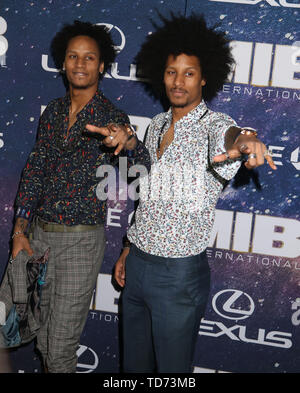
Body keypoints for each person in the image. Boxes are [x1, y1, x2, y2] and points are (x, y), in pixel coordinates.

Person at [111, 14, 277, 373]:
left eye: (189, 73)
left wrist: (246, 138)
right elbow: (149, 197)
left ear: (204, 78)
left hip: (178, 275)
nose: (179, 81)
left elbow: (231, 135)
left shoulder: (212, 126)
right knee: (132, 370)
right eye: (172, 71)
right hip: (137, 263)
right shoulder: (155, 125)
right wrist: (128, 248)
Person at [10, 20, 150, 373]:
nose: (80, 64)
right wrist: (20, 231)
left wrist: (129, 141)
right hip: (37, 240)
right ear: (63, 62)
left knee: (59, 349)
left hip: (80, 245)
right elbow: (35, 171)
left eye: (89, 58)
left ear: (101, 65)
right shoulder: (54, 112)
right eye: (73, 56)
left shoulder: (112, 118)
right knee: (30, 337)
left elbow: (144, 167)